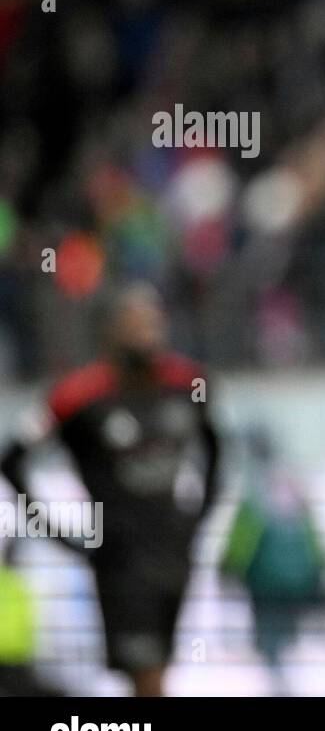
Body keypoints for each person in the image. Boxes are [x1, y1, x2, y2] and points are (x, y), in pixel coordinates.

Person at [0, 282, 220, 696]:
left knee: (155, 670)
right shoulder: (77, 396)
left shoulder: (189, 384)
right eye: (135, 320)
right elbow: (12, 461)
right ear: (110, 332)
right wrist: (61, 536)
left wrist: (198, 514)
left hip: (173, 554)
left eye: (154, 319)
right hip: (120, 560)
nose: (148, 330)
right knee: (146, 672)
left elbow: (216, 448)